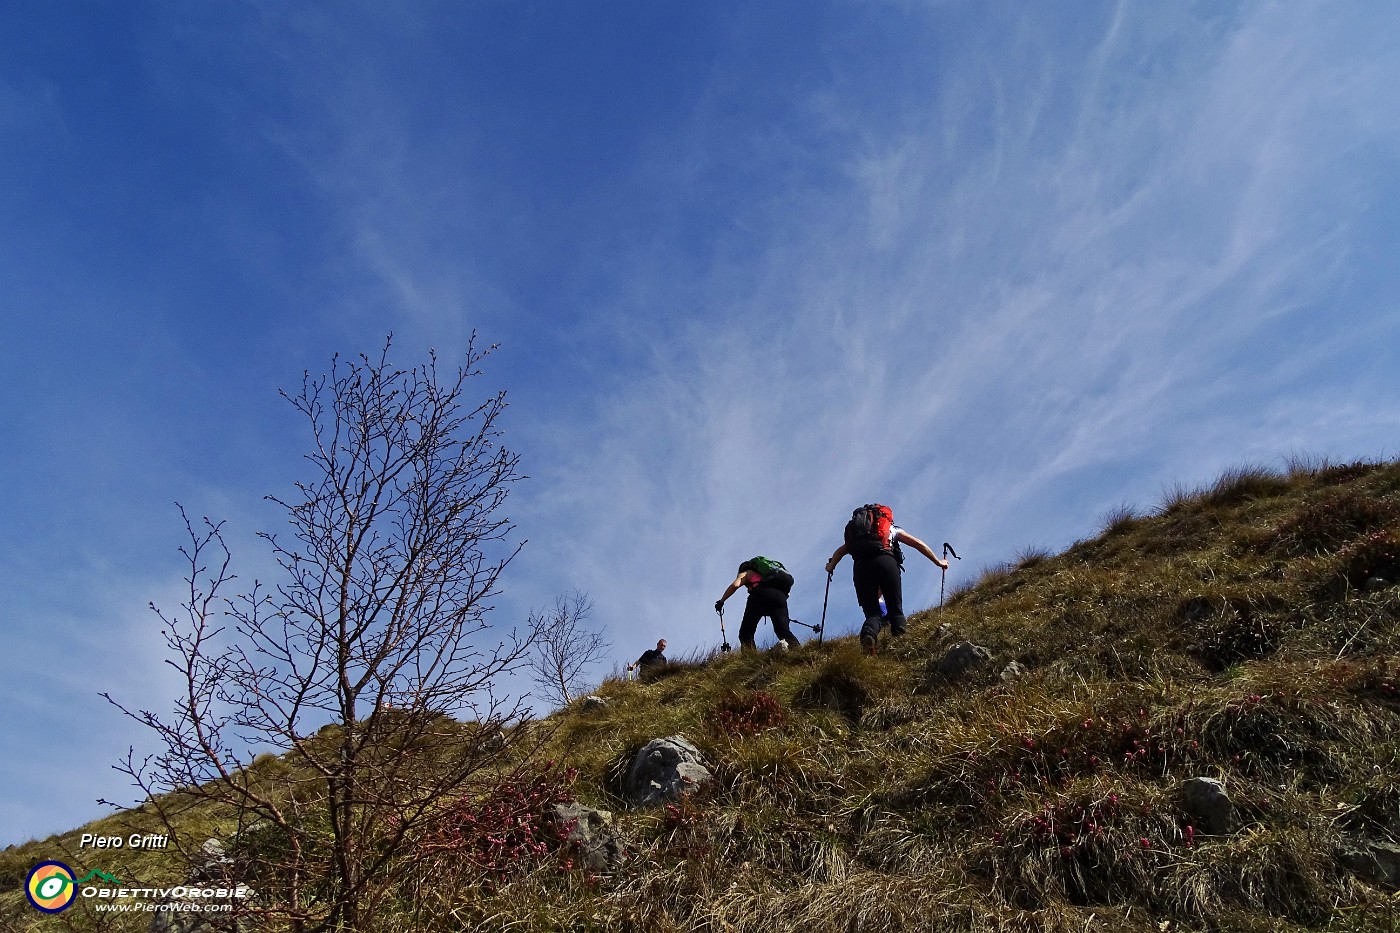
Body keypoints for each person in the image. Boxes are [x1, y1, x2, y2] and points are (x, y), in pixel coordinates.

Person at [825, 505, 947, 652]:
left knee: (872, 613)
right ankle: (901, 645)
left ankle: (869, 636)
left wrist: (830, 567)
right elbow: (917, 544)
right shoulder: (890, 528)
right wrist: (938, 562)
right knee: (895, 610)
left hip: (861, 567)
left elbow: (840, 552)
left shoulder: (855, 535)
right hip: (886, 562)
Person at [715, 557, 800, 651]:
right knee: (783, 631)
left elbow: (735, 585)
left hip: (759, 595)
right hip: (780, 597)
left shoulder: (747, 572)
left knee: (745, 633)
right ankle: (799, 653)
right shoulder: (770, 577)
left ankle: (750, 660)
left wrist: (721, 601)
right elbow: (787, 594)